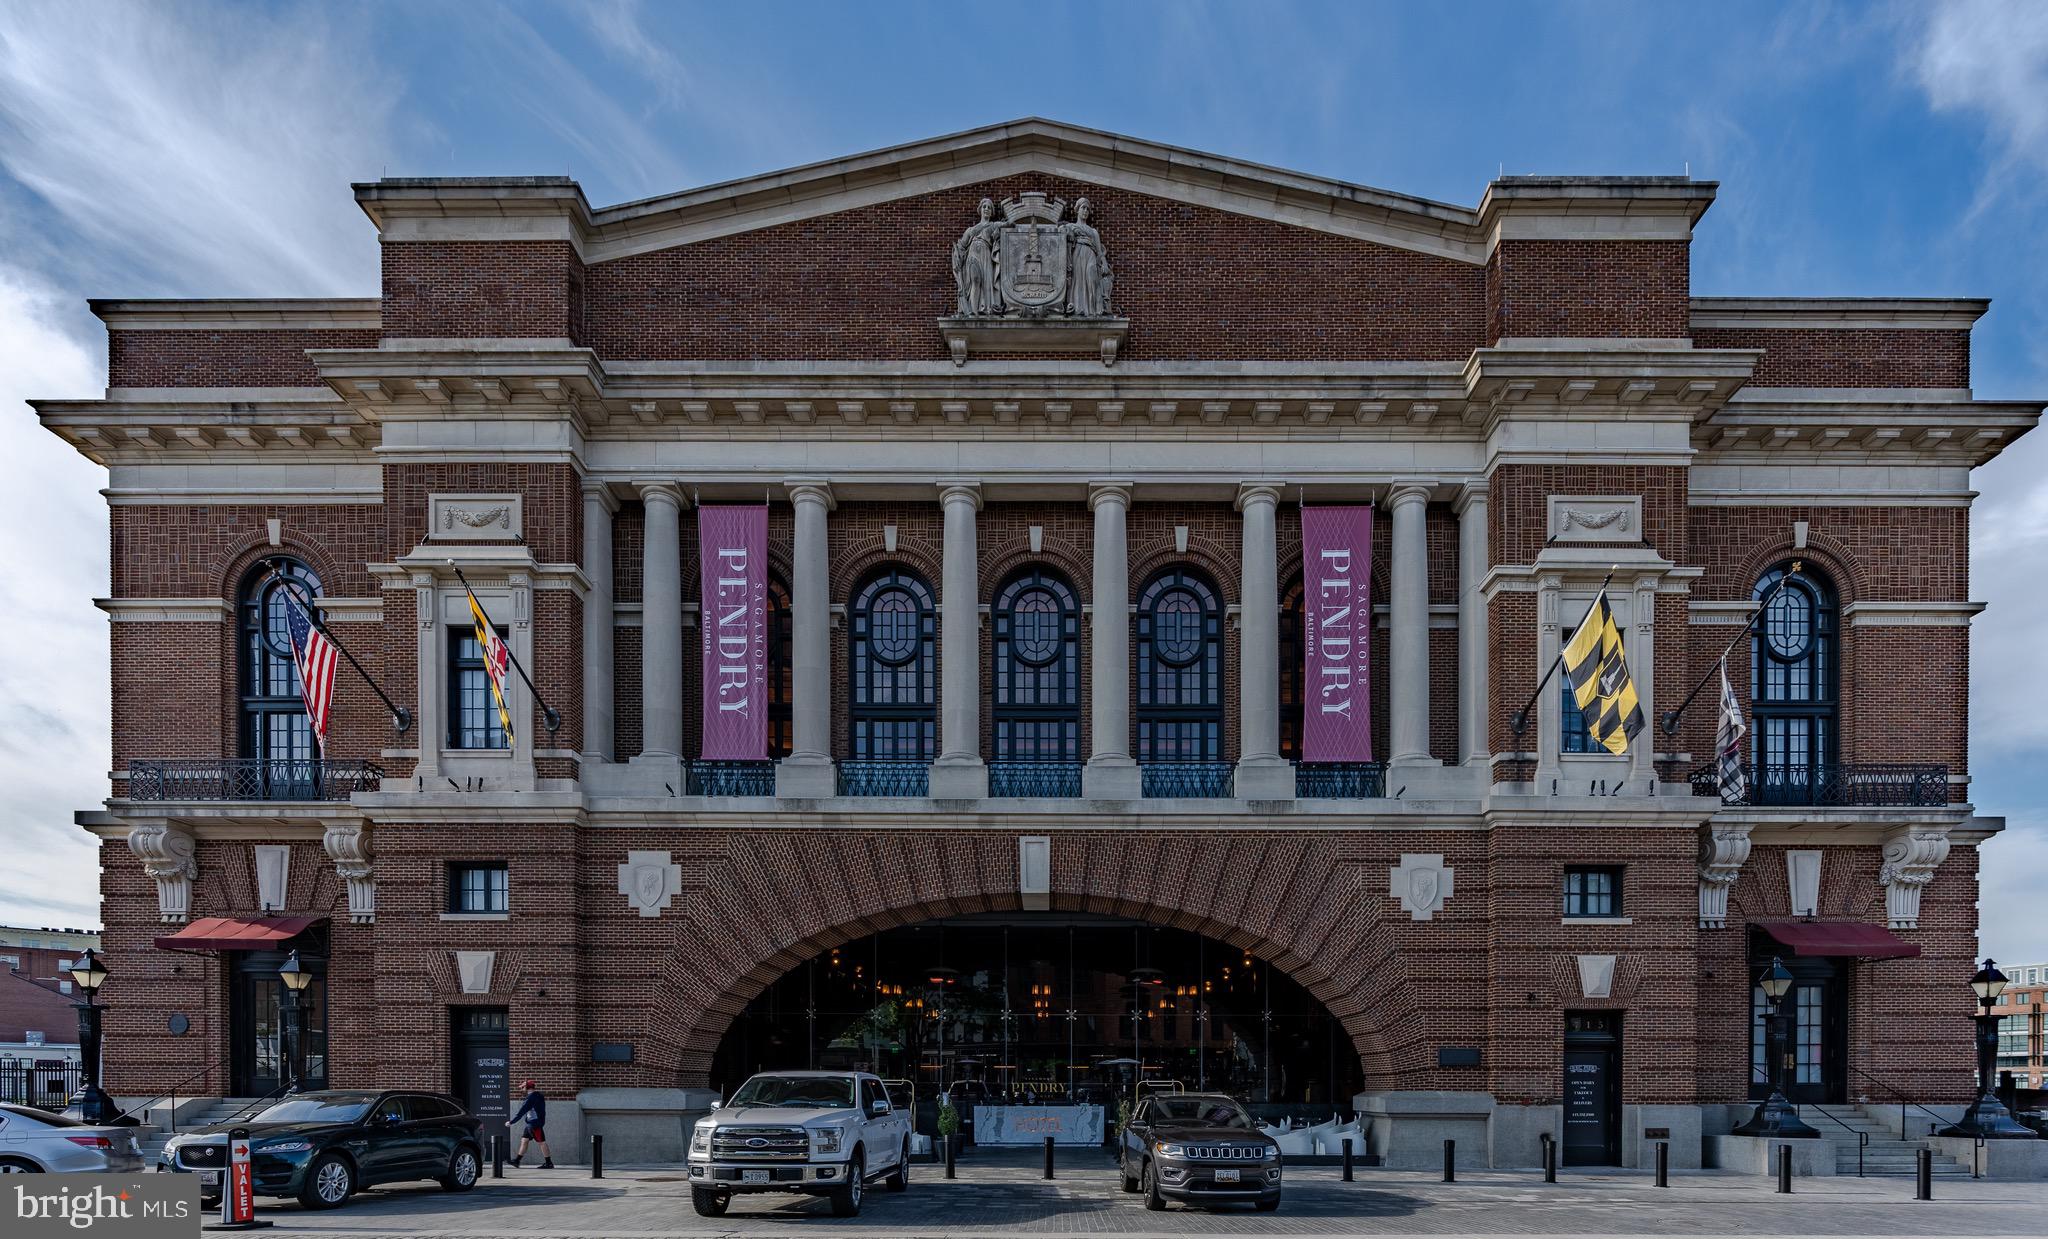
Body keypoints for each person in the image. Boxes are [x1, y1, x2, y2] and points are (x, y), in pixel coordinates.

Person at [507, 1078, 553, 1168]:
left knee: (542, 1142)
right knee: (524, 1140)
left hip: (534, 1124)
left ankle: (549, 1163)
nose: (521, 1089)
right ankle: (517, 1161)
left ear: (527, 1088)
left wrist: (511, 1122)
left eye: (523, 1087)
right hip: (532, 1124)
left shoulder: (530, 1098)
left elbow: (521, 1112)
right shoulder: (539, 1095)